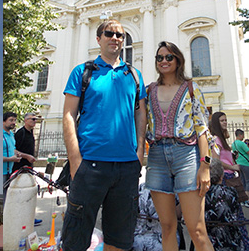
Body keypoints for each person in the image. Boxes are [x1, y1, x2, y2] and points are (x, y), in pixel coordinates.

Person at [61, 19, 147, 251]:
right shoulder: (83, 72)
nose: (115, 38)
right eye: (109, 33)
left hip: (127, 167)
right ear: (98, 39)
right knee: (75, 239)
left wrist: (139, 152)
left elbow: (141, 116)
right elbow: (68, 115)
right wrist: (75, 161)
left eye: (120, 35)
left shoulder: (134, 75)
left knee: (119, 240)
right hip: (90, 165)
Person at [144, 41, 213, 250]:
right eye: (159, 58)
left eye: (168, 57)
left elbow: (202, 128)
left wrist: (205, 166)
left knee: (197, 229)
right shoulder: (149, 91)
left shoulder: (191, 88)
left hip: (186, 156)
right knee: (167, 227)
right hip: (156, 158)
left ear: (178, 60)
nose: (164, 61)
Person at [204, 158, 249, 250]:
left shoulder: (201, 194)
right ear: (222, 175)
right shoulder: (231, 192)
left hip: (209, 240)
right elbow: (235, 213)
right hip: (231, 238)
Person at [12, 111, 43, 226]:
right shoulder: (21, 133)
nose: (34, 121)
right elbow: (13, 150)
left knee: (30, 194)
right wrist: (26, 156)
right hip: (20, 169)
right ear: (26, 121)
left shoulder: (31, 133)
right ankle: (22, 218)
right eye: (32, 119)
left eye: (35, 119)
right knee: (22, 194)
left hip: (29, 168)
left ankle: (30, 217)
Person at [208, 112, 240, 185]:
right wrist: (232, 167)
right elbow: (216, 161)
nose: (225, 122)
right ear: (216, 123)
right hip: (225, 176)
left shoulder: (221, 139)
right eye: (222, 121)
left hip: (229, 175)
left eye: (225, 120)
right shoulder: (217, 140)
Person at [2, 112, 20, 200]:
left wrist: (17, 153)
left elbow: (12, 149)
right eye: (11, 120)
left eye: (14, 120)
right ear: (3, 122)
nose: (13, 122)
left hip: (10, 172)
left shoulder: (11, 134)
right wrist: (10, 159)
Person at [232, 128, 249, 204]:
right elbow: (248, 151)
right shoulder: (242, 144)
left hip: (239, 164)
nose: (243, 137)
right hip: (246, 163)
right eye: (243, 135)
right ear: (240, 135)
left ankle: (243, 198)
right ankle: (247, 197)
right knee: (248, 181)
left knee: (242, 181)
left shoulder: (233, 144)